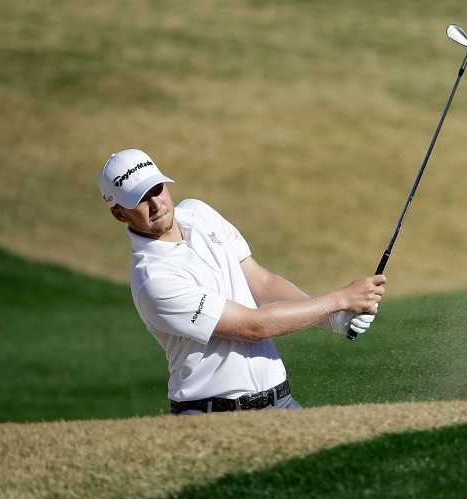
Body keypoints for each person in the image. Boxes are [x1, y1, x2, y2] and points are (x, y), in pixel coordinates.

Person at [98, 149, 386, 415]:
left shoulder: (200, 214)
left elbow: (261, 282)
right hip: (213, 416)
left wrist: (334, 318)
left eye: (157, 189)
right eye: (140, 199)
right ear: (118, 213)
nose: (155, 204)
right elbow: (253, 326)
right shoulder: (154, 279)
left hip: (281, 401)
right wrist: (339, 300)